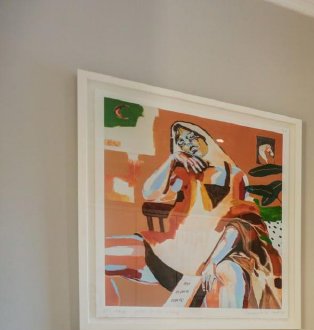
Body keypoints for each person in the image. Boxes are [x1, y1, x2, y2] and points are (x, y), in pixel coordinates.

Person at [104, 121, 282, 309]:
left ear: (206, 139)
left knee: (231, 277)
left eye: (192, 138)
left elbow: (241, 224)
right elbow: (149, 193)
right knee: (101, 253)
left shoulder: (235, 175)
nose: (188, 144)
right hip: (174, 248)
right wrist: (173, 158)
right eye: (181, 141)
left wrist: (213, 261)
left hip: (219, 252)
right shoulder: (182, 171)